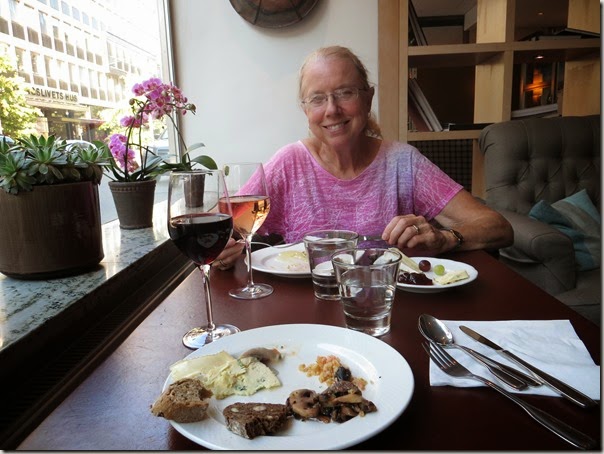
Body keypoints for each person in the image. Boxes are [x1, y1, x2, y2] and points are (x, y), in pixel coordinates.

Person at [214, 45, 512, 270]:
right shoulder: (288, 163)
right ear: (306, 110)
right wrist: (223, 248)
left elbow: (498, 227)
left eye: (345, 93)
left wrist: (444, 238)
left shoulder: (402, 162)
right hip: (306, 310)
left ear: (368, 98)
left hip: (384, 307)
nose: (332, 110)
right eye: (317, 99)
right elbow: (225, 226)